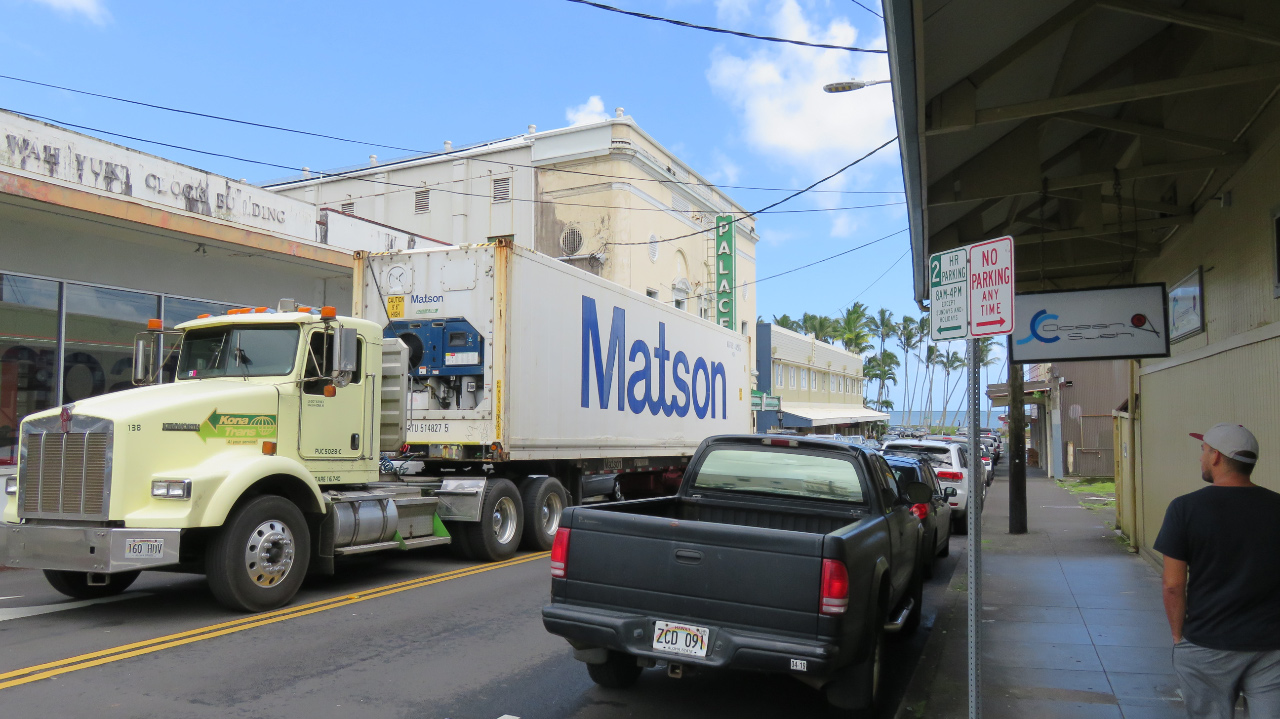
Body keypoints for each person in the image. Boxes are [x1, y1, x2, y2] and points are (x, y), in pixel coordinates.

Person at [1155, 423, 1280, 718]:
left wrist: (1178, 637)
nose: (1201, 457)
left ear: (1216, 457)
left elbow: (1173, 584)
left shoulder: (1185, 508)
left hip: (1208, 643)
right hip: (1271, 646)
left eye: (1204, 450)